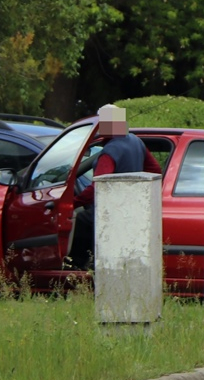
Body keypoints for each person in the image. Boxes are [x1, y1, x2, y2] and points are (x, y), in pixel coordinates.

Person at [70, 105, 163, 268]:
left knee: (82, 220)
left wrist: (74, 202)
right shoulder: (136, 141)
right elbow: (155, 170)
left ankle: (76, 266)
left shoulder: (110, 151)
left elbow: (98, 186)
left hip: (110, 209)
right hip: (131, 206)